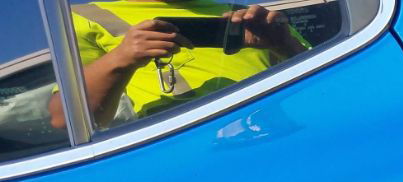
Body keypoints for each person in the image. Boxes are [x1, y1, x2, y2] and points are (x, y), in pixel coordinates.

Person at [49, 1, 308, 129]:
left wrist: (282, 44)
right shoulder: (82, 18)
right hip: (182, 149)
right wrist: (121, 58)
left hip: (279, 134)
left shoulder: (246, 14)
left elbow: (330, 81)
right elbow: (65, 119)